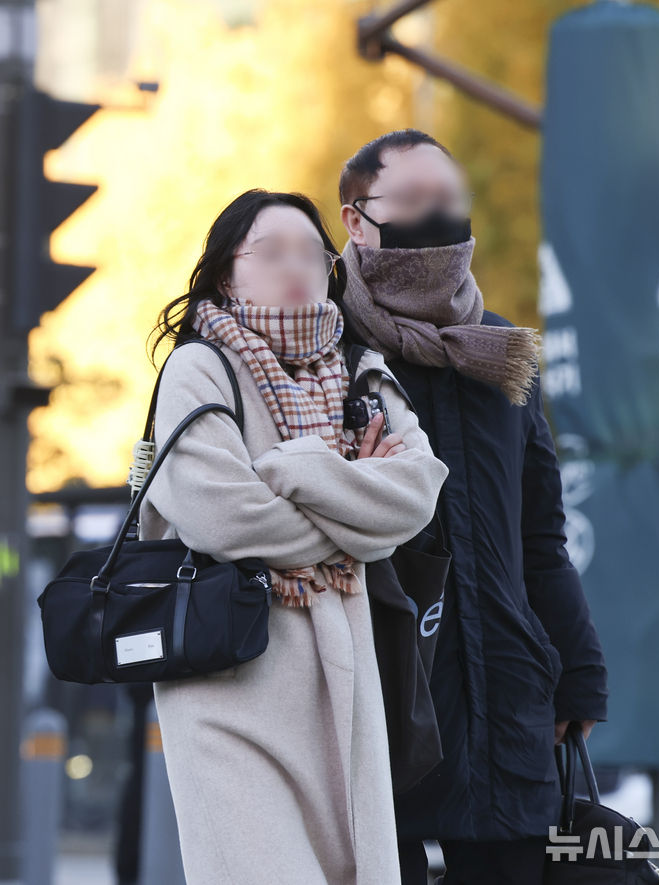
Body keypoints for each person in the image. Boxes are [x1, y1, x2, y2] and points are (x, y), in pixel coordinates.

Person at [138, 188, 449, 885]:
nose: (296, 267)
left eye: (311, 252)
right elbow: (220, 515)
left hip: (349, 684)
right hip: (231, 683)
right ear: (227, 272)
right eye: (270, 252)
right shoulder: (198, 367)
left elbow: (417, 493)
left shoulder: (362, 372)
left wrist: (291, 468)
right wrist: (350, 499)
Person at [338, 130, 609, 885]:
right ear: (357, 219)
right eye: (415, 201)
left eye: (450, 201)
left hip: (502, 696)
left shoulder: (502, 352)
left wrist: (579, 671)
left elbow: (541, 538)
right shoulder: (324, 346)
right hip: (378, 694)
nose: (438, 216)